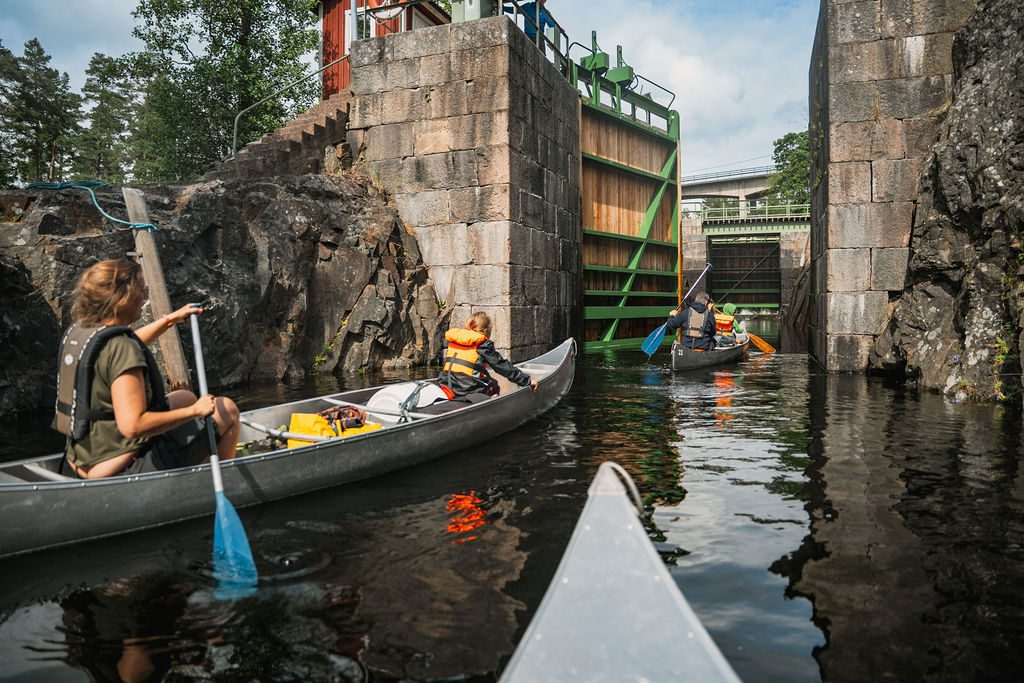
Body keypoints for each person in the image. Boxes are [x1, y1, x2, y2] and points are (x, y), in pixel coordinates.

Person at [55, 259, 240, 479]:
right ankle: (223, 481)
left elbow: (129, 343)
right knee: (225, 408)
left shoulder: (83, 332)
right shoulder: (123, 349)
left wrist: (170, 320)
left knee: (184, 397)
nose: (144, 298)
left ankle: (198, 457)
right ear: (123, 298)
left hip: (82, 457)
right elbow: (133, 426)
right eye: (142, 290)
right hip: (119, 468)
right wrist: (196, 411)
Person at [439, 311, 538, 402]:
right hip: (467, 390)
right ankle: (494, 406)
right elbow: (501, 366)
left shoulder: (455, 340)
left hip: (447, 384)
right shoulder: (482, 344)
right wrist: (527, 381)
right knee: (494, 385)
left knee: (487, 379)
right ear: (486, 330)